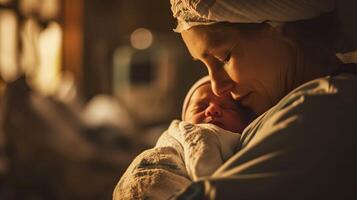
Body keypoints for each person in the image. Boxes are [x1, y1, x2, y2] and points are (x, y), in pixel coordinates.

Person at [114, 0, 357, 199]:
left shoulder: (323, 109)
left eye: (224, 58)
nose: (218, 88)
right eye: (205, 67)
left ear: (282, 28)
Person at [113, 76, 251, 200]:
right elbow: (202, 162)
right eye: (200, 107)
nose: (212, 110)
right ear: (185, 119)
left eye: (227, 107)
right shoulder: (197, 133)